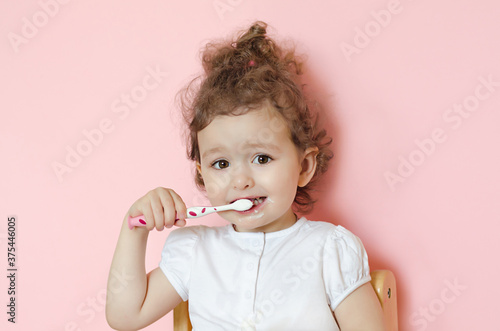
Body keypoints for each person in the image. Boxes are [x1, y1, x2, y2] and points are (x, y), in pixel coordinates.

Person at [106, 21, 385, 330]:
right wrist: (135, 228)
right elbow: (125, 317)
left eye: (261, 158)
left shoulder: (329, 251)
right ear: (202, 175)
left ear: (304, 167)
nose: (240, 180)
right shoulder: (195, 253)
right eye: (221, 164)